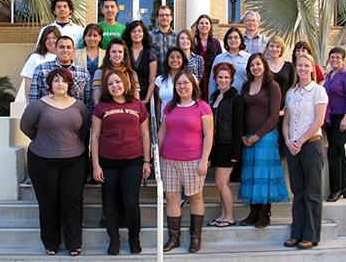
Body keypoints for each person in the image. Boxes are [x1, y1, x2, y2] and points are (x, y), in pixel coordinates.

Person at [20, 68, 89, 256]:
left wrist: (70, 143)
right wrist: (45, 141)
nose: (60, 84)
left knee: (72, 200)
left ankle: (74, 243)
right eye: (56, 81)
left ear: (69, 85)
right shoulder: (37, 105)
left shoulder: (80, 106)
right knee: (48, 201)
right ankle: (51, 243)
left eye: (64, 81)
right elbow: (26, 126)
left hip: (74, 160)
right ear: (50, 84)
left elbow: (84, 130)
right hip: (42, 160)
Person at [91, 70, 151, 255]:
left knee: (131, 202)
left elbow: (145, 134)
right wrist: (96, 165)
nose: (115, 86)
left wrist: (147, 161)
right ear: (106, 88)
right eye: (110, 84)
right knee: (109, 203)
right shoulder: (102, 107)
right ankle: (114, 240)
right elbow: (94, 135)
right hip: (108, 161)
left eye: (117, 82)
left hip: (133, 160)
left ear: (125, 83)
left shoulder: (138, 105)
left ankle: (134, 238)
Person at [158, 70, 213, 253]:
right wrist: (156, 155)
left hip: (194, 160)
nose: (182, 86)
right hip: (169, 159)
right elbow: (162, 132)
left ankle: (195, 237)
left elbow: (208, 135)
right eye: (179, 84)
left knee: (195, 197)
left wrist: (204, 160)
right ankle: (174, 238)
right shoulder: (170, 108)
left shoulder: (202, 107)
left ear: (193, 85)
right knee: (172, 197)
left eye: (185, 83)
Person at [283, 53, 328, 249]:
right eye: (299, 65)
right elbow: (286, 120)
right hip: (293, 148)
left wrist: (300, 141)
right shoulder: (291, 92)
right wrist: (288, 141)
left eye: (305, 65)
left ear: (312, 68)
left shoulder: (318, 91)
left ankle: (311, 235)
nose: (302, 68)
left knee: (312, 193)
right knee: (298, 192)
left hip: (311, 146)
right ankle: (297, 233)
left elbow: (318, 120)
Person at [239, 53, 289, 228]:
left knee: (263, 176)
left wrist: (258, 136)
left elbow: (274, 115)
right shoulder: (246, 86)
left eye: (258, 64)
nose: (255, 67)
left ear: (264, 66)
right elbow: (243, 111)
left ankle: (264, 214)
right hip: (248, 137)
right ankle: (253, 213)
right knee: (252, 175)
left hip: (265, 137)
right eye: (252, 65)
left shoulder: (272, 86)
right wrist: (243, 135)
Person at [208, 62, 243, 227]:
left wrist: (236, 152)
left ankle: (229, 216)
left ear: (232, 79)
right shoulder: (215, 96)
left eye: (226, 77)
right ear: (215, 78)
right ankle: (223, 215)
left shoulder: (236, 98)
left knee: (221, 182)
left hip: (228, 145)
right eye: (220, 77)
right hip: (216, 145)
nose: (223, 80)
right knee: (222, 183)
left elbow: (238, 127)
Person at [324, 47, 346, 202]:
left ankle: (335, 189)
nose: (334, 59)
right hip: (331, 118)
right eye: (332, 57)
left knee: (334, 152)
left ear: (343, 60)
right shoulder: (329, 76)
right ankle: (345, 186)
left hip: (343, 117)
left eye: (338, 57)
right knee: (339, 151)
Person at [29, 36, 92, 111]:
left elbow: (88, 102)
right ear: (55, 49)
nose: (65, 50)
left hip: (75, 118)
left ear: (73, 50)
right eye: (61, 47)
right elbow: (33, 99)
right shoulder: (41, 69)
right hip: (48, 117)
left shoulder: (84, 73)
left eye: (68, 47)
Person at [266, 35, 295, 158]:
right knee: (268, 146)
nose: (274, 49)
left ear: (282, 49)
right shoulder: (263, 65)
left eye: (277, 46)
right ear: (267, 48)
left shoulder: (289, 66)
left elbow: (293, 89)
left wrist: (286, 109)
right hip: (267, 112)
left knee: (282, 148)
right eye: (271, 46)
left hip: (284, 112)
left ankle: (280, 176)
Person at [92, 38, 140, 105]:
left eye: (120, 52)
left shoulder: (131, 73)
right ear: (109, 54)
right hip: (107, 109)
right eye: (114, 52)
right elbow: (96, 98)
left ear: (124, 54)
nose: (117, 55)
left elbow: (136, 98)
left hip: (128, 110)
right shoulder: (100, 72)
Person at [208, 27, 251, 98]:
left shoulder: (248, 58)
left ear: (241, 40)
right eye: (230, 38)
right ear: (226, 41)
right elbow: (212, 82)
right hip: (222, 99)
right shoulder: (219, 58)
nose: (233, 40)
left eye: (236, 37)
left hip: (242, 98)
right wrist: (211, 100)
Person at [21, 26, 61, 102]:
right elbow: (28, 82)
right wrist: (29, 103)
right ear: (43, 41)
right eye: (47, 38)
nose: (51, 40)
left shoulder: (64, 57)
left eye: (54, 37)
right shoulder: (35, 57)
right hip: (40, 102)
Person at [122, 20, 157, 105]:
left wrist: (146, 100)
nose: (136, 34)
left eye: (139, 31)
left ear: (144, 33)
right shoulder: (124, 53)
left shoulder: (150, 54)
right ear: (129, 34)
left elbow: (152, 80)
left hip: (144, 96)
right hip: (126, 95)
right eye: (133, 31)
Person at [192, 14, 223, 101]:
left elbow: (220, 61)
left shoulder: (215, 43)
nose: (204, 25)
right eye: (201, 23)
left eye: (206, 23)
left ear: (210, 26)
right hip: (196, 79)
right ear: (197, 26)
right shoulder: (192, 42)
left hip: (211, 78)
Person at [155, 46, 188, 122]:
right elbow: (159, 103)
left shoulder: (190, 78)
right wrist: (158, 121)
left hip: (184, 121)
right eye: (172, 57)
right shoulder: (159, 80)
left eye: (178, 57)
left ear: (183, 60)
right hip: (165, 121)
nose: (175, 60)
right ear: (167, 60)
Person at [150, 5, 177, 74]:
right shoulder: (149, 36)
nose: (164, 17)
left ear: (171, 18)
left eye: (167, 15)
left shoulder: (177, 37)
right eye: (161, 15)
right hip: (155, 78)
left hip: (173, 78)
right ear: (157, 18)